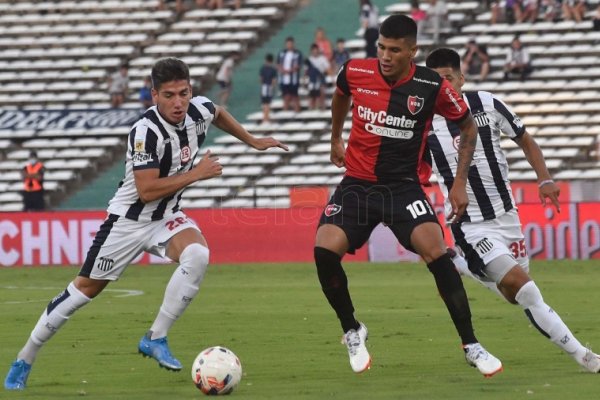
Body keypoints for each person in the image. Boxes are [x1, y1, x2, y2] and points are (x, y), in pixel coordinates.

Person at [4, 57, 288, 391]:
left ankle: (155, 337)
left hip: (166, 217)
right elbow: (146, 189)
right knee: (82, 292)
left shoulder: (198, 109)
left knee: (197, 254)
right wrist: (196, 174)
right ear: (154, 95)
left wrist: (252, 139)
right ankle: (25, 357)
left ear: (191, 90)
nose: (178, 102)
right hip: (127, 223)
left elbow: (218, 112)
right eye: (168, 95)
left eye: (183, 93)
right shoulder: (145, 131)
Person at [314, 14, 502, 377]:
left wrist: (460, 182)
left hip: (402, 187)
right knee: (324, 250)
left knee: (438, 253)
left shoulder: (431, 84)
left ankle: (472, 345)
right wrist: (335, 137)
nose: (385, 55)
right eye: (381, 47)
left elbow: (466, 123)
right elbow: (340, 96)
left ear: (412, 51)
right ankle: (352, 329)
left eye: (395, 50)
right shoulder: (354, 71)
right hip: (357, 183)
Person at [424, 47, 600, 373]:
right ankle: (586, 358)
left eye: (447, 78)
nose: (443, 86)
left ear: (461, 79)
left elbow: (525, 139)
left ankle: (460, 267)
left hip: (507, 218)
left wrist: (545, 178)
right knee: (527, 290)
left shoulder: (487, 103)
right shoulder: (422, 126)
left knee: (514, 295)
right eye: (435, 82)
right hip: (471, 225)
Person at [277, 36, 303, 113]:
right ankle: (285, 112)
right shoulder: (282, 53)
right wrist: (283, 70)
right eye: (288, 44)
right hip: (284, 79)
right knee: (285, 96)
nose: (289, 45)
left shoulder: (297, 53)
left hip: (293, 79)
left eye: (290, 44)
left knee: (295, 96)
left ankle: (297, 111)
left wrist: (290, 70)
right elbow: (278, 64)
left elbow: (299, 65)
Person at [305, 44, 330, 110]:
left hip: (321, 78)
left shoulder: (323, 59)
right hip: (312, 80)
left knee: (322, 93)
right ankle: (312, 109)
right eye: (313, 50)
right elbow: (306, 71)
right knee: (312, 96)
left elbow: (328, 69)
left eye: (316, 50)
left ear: (318, 50)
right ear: (311, 51)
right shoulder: (309, 60)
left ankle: (322, 108)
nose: (315, 52)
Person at [259, 53, 277, 124]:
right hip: (269, 87)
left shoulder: (263, 69)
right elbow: (274, 80)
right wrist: (272, 87)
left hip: (264, 86)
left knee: (264, 103)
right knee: (267, 103)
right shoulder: (273, 70)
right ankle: (266, 118)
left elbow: (261, 79)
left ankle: (265, 118)